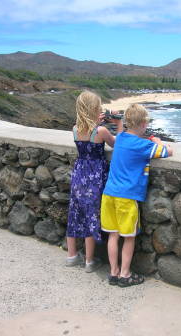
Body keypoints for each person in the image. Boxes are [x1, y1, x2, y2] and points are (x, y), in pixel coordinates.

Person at [101, 104, 173, 287]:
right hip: (126, 197)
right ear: (142, 124)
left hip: (109, 194)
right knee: (129, 237)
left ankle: (113, 272)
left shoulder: (122, 138)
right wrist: (157, 141)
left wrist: (119, 124)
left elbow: (120, 134)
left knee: (113, 235)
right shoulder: (143, 145)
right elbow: (167, 152)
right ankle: (125, 275)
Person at [66, 91, 123, 272]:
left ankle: (72, 256)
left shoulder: (75, 129)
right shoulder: (101, 131)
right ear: (94, 109)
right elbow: (117, 144)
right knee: (91, 215)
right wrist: (119, 123)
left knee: (75, 213)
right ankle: (89, 261)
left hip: (79, 174)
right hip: (95, 177)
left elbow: (87, 135)